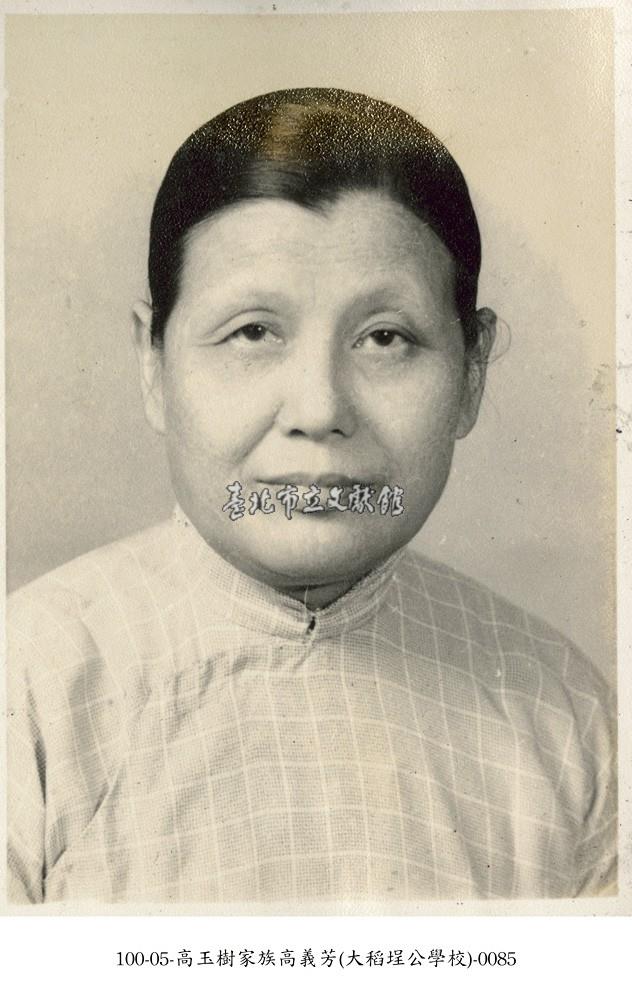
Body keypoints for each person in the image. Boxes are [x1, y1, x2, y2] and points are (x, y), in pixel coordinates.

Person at [7, 87, 616, 904]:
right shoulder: (31, 687)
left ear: (471, 373)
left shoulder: (565, 714)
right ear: (153, 363)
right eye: (253, 332)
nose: (320, 409)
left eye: (385, 338)